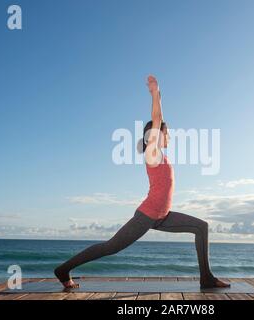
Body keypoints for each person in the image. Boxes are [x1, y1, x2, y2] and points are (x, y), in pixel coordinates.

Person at [54, 75, 230, 289]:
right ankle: (63, 270)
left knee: (201, 227)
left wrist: (158, 96)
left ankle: (207, 278)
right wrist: (156, 94)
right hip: (146, 216)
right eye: (167, 133)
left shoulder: (161, 156)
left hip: (162, 216)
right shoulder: (152, 153)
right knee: (110, 247)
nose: (169, 136)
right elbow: (157, 118)